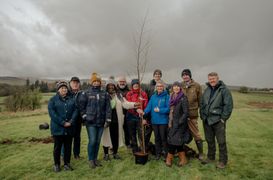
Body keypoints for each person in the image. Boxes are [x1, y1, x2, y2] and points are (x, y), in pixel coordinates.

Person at [200, 72, 233, 169]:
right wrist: (202, 115)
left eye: (213, 79)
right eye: (210, 79)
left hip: (218, 120)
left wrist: (223, 118)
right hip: (207, 120)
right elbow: (202, 104)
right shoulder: (207, 90)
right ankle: (210, 157)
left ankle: (223, 161)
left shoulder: (224, 90)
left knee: (221, 141)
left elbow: (228, 105)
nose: (212, 81)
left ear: (218, 78)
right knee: (209, 140)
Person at [78, 73, 111, 169]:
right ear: (91, 82)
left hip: (101, 122)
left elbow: (108, 108)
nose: (96, 83)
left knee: (97, 141)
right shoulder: (86, 93)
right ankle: (90, 159)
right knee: (92, 141)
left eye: (98, 81)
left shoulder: (104, 94)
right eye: (94, 81)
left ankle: (95, 159)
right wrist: (84, 116)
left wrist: (108, 119)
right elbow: (81, 107)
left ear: (100, 83)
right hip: (90, 122)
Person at [101, 80, 137, 160]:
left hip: (116, 119)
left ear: (115, 86)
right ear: (106, 87)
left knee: (116, 136)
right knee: (106, 136)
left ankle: (115, 153)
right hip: (106, 119)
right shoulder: (103, 95)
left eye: (112, 85)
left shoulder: (118, 95)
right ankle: (106, 154)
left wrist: (134, 104)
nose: (111, 87)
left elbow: (125, 103)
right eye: (109, 85)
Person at [48, 81, 78, 172]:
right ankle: (56, 165)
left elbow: (76, 110)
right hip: (57, 128)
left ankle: (67, 164)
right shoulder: (53, 100)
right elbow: (52, 113)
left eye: (65, 88)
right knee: (57, 147)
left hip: (70, 128)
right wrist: (62, 122)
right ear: (58, 90)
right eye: (62, 88)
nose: (64, 89)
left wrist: (71, 121)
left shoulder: (72, 99)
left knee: (68, 147)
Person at [140, 80, 170, 160]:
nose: (159, 88)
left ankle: (165, 154)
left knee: (163, 138)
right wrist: (144, 112)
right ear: (156, 88)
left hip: (163, 121)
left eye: (161, 86)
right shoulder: (153, 97)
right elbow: (149, 107)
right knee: (157, 138)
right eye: (158, 86)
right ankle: (158, 153)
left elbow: (168, 109)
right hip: (154, 121)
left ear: (163, 88)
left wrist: (160, 110)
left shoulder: (167, 96)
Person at [166, 82, 191, 167]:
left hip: (180, 124)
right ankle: (183, 159)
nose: (176, 88)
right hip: (172, 122)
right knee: (176, 141)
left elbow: (186, 112)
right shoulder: (172, 97)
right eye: (174, 86)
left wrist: (180, 122)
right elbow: (170, 110)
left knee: (174, 141)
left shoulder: (183, 98)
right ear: (172, 88)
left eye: (177, 86)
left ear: (180, 88)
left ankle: (169, 158)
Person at [181, 69, 204, 160]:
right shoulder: (181, 85)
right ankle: (181, 152)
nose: (185, 76)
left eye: (187, 75)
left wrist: (200, 113)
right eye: (183, 75)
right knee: (180, 133)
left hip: (192, 114)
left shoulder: (196, 86)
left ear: (190, 76)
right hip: (182, 114)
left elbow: (200, 101)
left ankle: (201, 153)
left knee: (196, 134)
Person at [61, 77, 82, 159]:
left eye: (77, 82)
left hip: (78, 119)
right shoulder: (66, 93)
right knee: (66, 138)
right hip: (68, 120)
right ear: (70, 84)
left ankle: (76, 154)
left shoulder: (82, 94)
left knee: (77, 138)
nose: (75, 84)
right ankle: (63, 155)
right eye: (73, 82)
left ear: (79, 84)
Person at [126, 79, 148, 154]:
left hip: (140, 116)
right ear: (132, 85)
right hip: (130, 116)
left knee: (141, 134)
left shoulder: (143, 93)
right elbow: (128, 104)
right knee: (132, 134)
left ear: (139, 85)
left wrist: (144, 117)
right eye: (134, 84)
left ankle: (143, 149)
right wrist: (136, 109)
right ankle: (135, 149)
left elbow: (145, 105)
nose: (135, 85)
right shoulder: (129, 94)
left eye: (137, 84)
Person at [116, 76, 131, 148]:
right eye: (120, 81)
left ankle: (128, 143)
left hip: (127, 113)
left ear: (125, 82)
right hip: (117, 113)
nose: (122, 83)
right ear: (118, 82)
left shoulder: (129, 91)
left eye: (123, 82)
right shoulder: (115, 91)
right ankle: (116, 144)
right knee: (117, 129)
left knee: (127, 129)